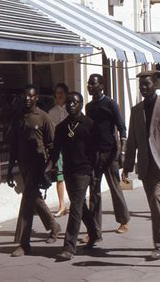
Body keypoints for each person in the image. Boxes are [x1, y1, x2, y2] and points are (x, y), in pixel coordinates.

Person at [122, 73, 160, 260]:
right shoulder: (136, 110)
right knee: (156, 206)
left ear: (154, 85)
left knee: (158, 198)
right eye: (141, 85)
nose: (143, 88)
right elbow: (132, 140)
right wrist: (127, 166)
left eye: (147, 84)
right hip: (146, 165)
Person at [6, 84, 61, 257]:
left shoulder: (43, 118)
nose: (27, 99)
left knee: (28, 201)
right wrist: (9, 170)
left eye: (31, 96)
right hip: (23, 165)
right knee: (34, 197)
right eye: (25, 96)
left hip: (39, 164)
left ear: (36, 97)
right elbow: (13, 146)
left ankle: (24, 243)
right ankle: (54, 226)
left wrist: (51, 167)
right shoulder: (18, 117)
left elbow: (53, 145)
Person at [47, 91, 100, 261]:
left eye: (74, 102)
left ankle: (69, 247)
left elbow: (95, 152)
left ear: (81, 104)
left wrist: (94, 172)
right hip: (68, 171)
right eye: (68, 102)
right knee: (80, 206)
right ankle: (94, 233)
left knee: (75, 207)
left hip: (84, 171)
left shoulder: (89, 125)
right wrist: (48, 167)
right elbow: (55, 152)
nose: (71, 105)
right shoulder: (61, 127)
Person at [86, 74, 130, 237]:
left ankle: (123, 220)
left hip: (110, 153)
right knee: (94, 191)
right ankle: (94, 228)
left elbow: (121, 126)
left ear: (102, 86)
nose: (90, 86)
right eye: (89, 83)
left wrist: (122, 152)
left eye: (93, 83)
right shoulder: (89, 107)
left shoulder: (110, 103)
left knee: (115, 187)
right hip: (95, 155)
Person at [48, 83, 69, 217]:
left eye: (62, 92)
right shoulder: (52, 112)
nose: (59, 95)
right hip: (59, 147)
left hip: (72, 147)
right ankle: (62, 205)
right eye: (57, 92)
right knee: (60, 176)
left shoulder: (71, 108)